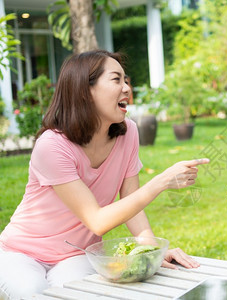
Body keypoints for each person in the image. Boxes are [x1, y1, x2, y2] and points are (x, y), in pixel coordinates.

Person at [0, 49, 209, 299]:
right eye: (116, 79)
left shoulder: (128, 132)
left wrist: (151, 250)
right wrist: (161, 182)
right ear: (86, 90)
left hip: (74, 254)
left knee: (80, 294)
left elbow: (131, 200)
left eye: (126, 79)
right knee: (33, 293)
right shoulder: (52, 145)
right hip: (21, 253)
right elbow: (97, 220)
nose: (127, 88)